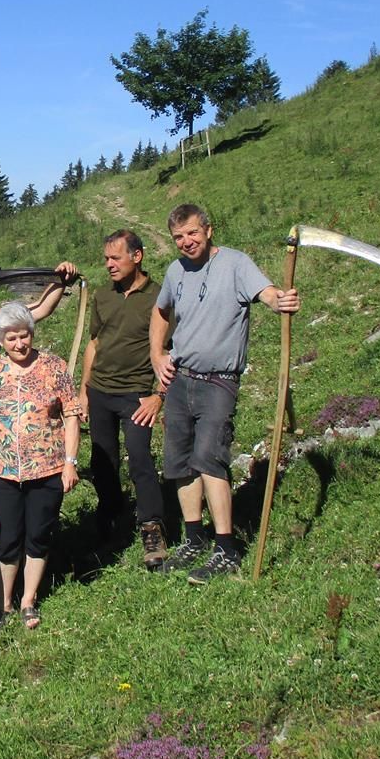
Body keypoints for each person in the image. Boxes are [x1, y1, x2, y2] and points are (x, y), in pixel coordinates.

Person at [150, 204, 300, 584]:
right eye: (179, 237)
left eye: (192, 233)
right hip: (180, 378)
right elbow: (160, 311)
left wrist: (278, 299)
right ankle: (194, 537)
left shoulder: (235, 264)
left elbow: (265, 292)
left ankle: (226, 548)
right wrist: (157, 354)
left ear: (209, 229)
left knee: (210, 459)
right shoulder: (174, 271)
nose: (186, 242)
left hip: (219, 381)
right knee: (179, 462)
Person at [0, 302, 82, 629]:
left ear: (32, 334)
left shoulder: (53, 367)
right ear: (0, 341)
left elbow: (72, 416)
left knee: (39, 534)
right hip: (2, 471)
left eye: (24, 336)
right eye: (11, 339)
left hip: (47, 469)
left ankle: (28, 600)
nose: (19, 344)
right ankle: (3, 604)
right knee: (7, 538)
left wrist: (70, 463)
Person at [80, 229, 181, 568]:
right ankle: (110, 517)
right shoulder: (103, 296)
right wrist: (84, 389)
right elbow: (94, 344)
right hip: (100, 392)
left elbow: (172, 352)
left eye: (115, 258)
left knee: (140, 460)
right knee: (102, 463)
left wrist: (158, 396)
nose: (108, 264)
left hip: (137, 394)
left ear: (136, 256)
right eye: (106, 258)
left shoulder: (159, 299)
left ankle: (152, 527)